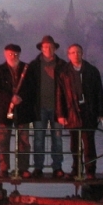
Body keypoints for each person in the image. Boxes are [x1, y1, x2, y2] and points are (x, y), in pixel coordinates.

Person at [56, 44, 103, 180]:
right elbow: (60, 95)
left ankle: (90, 171)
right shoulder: (63, 72)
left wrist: (101, 112)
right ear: (68, 55)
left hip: (88, 111)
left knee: (89, 144)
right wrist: (61, 114)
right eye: (72, 52)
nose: (75, 55)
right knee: (74, 144)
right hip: (72, 111)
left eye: (78, 52)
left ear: (82, 53)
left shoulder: (92, 71)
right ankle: (76, 169)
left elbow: (99, 92)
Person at [27, 35, 68, 178]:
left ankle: (57, 167)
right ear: (41, 48)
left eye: (51, 46)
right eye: (45, 46)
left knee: (57, 138)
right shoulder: (33, 65)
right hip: (39, 108)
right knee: (38, 138)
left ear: (55, 48)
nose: (48, 49)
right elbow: (28, 87)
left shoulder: (63, 65)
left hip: (58, 108)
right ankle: (38, 167)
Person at [0, 43, 34, 178]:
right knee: (3, 141)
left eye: (15, 54)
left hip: (22, 110)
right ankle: (3, 168)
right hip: (5, 110)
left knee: (24, 142)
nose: (13, 56)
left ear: (19, 55)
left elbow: (32, 87)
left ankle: (23, 168)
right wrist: (10, 98)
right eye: (10, 54)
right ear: (5, 54)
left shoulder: (27, 69)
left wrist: (20, 98)